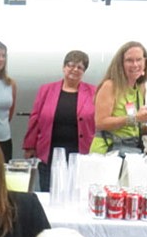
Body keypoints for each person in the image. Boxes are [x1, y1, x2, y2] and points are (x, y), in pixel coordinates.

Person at [23, 50, 96, 190]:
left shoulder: (94, 92)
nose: (74, 69)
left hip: (80, 153)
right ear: (64, 67)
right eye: (71, 65)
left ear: (84, 71)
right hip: (49, 152)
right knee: (48, 191)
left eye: (80, 67)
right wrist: (29, 146)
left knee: (76, 193)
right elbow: (35, 119)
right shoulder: (46, 90)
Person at [89, 41, 147, 155]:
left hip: (130, 150)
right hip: (108, 151)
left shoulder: (139, 89)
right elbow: (100, 122)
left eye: (139, 60)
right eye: (129, 60)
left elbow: (131, 127)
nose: (135, 64)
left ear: (145, 62)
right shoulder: (110, 86)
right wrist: (135, 118)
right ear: (120, 64)